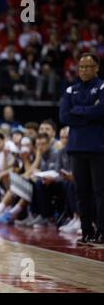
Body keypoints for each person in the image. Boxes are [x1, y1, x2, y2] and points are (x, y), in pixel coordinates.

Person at [59, 52, 104, 246]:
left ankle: (102, 231)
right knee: (81, 192)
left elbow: (102, 111)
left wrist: (78, 110)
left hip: (98, 147)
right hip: (76, 147)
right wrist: (89, 112)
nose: (84, 70)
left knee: (100, 192)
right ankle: (87, 231)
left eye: (88, 66)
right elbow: (64, 117)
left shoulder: (102, 86)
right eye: (81, 67)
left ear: (97, 68)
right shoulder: (70, 90)